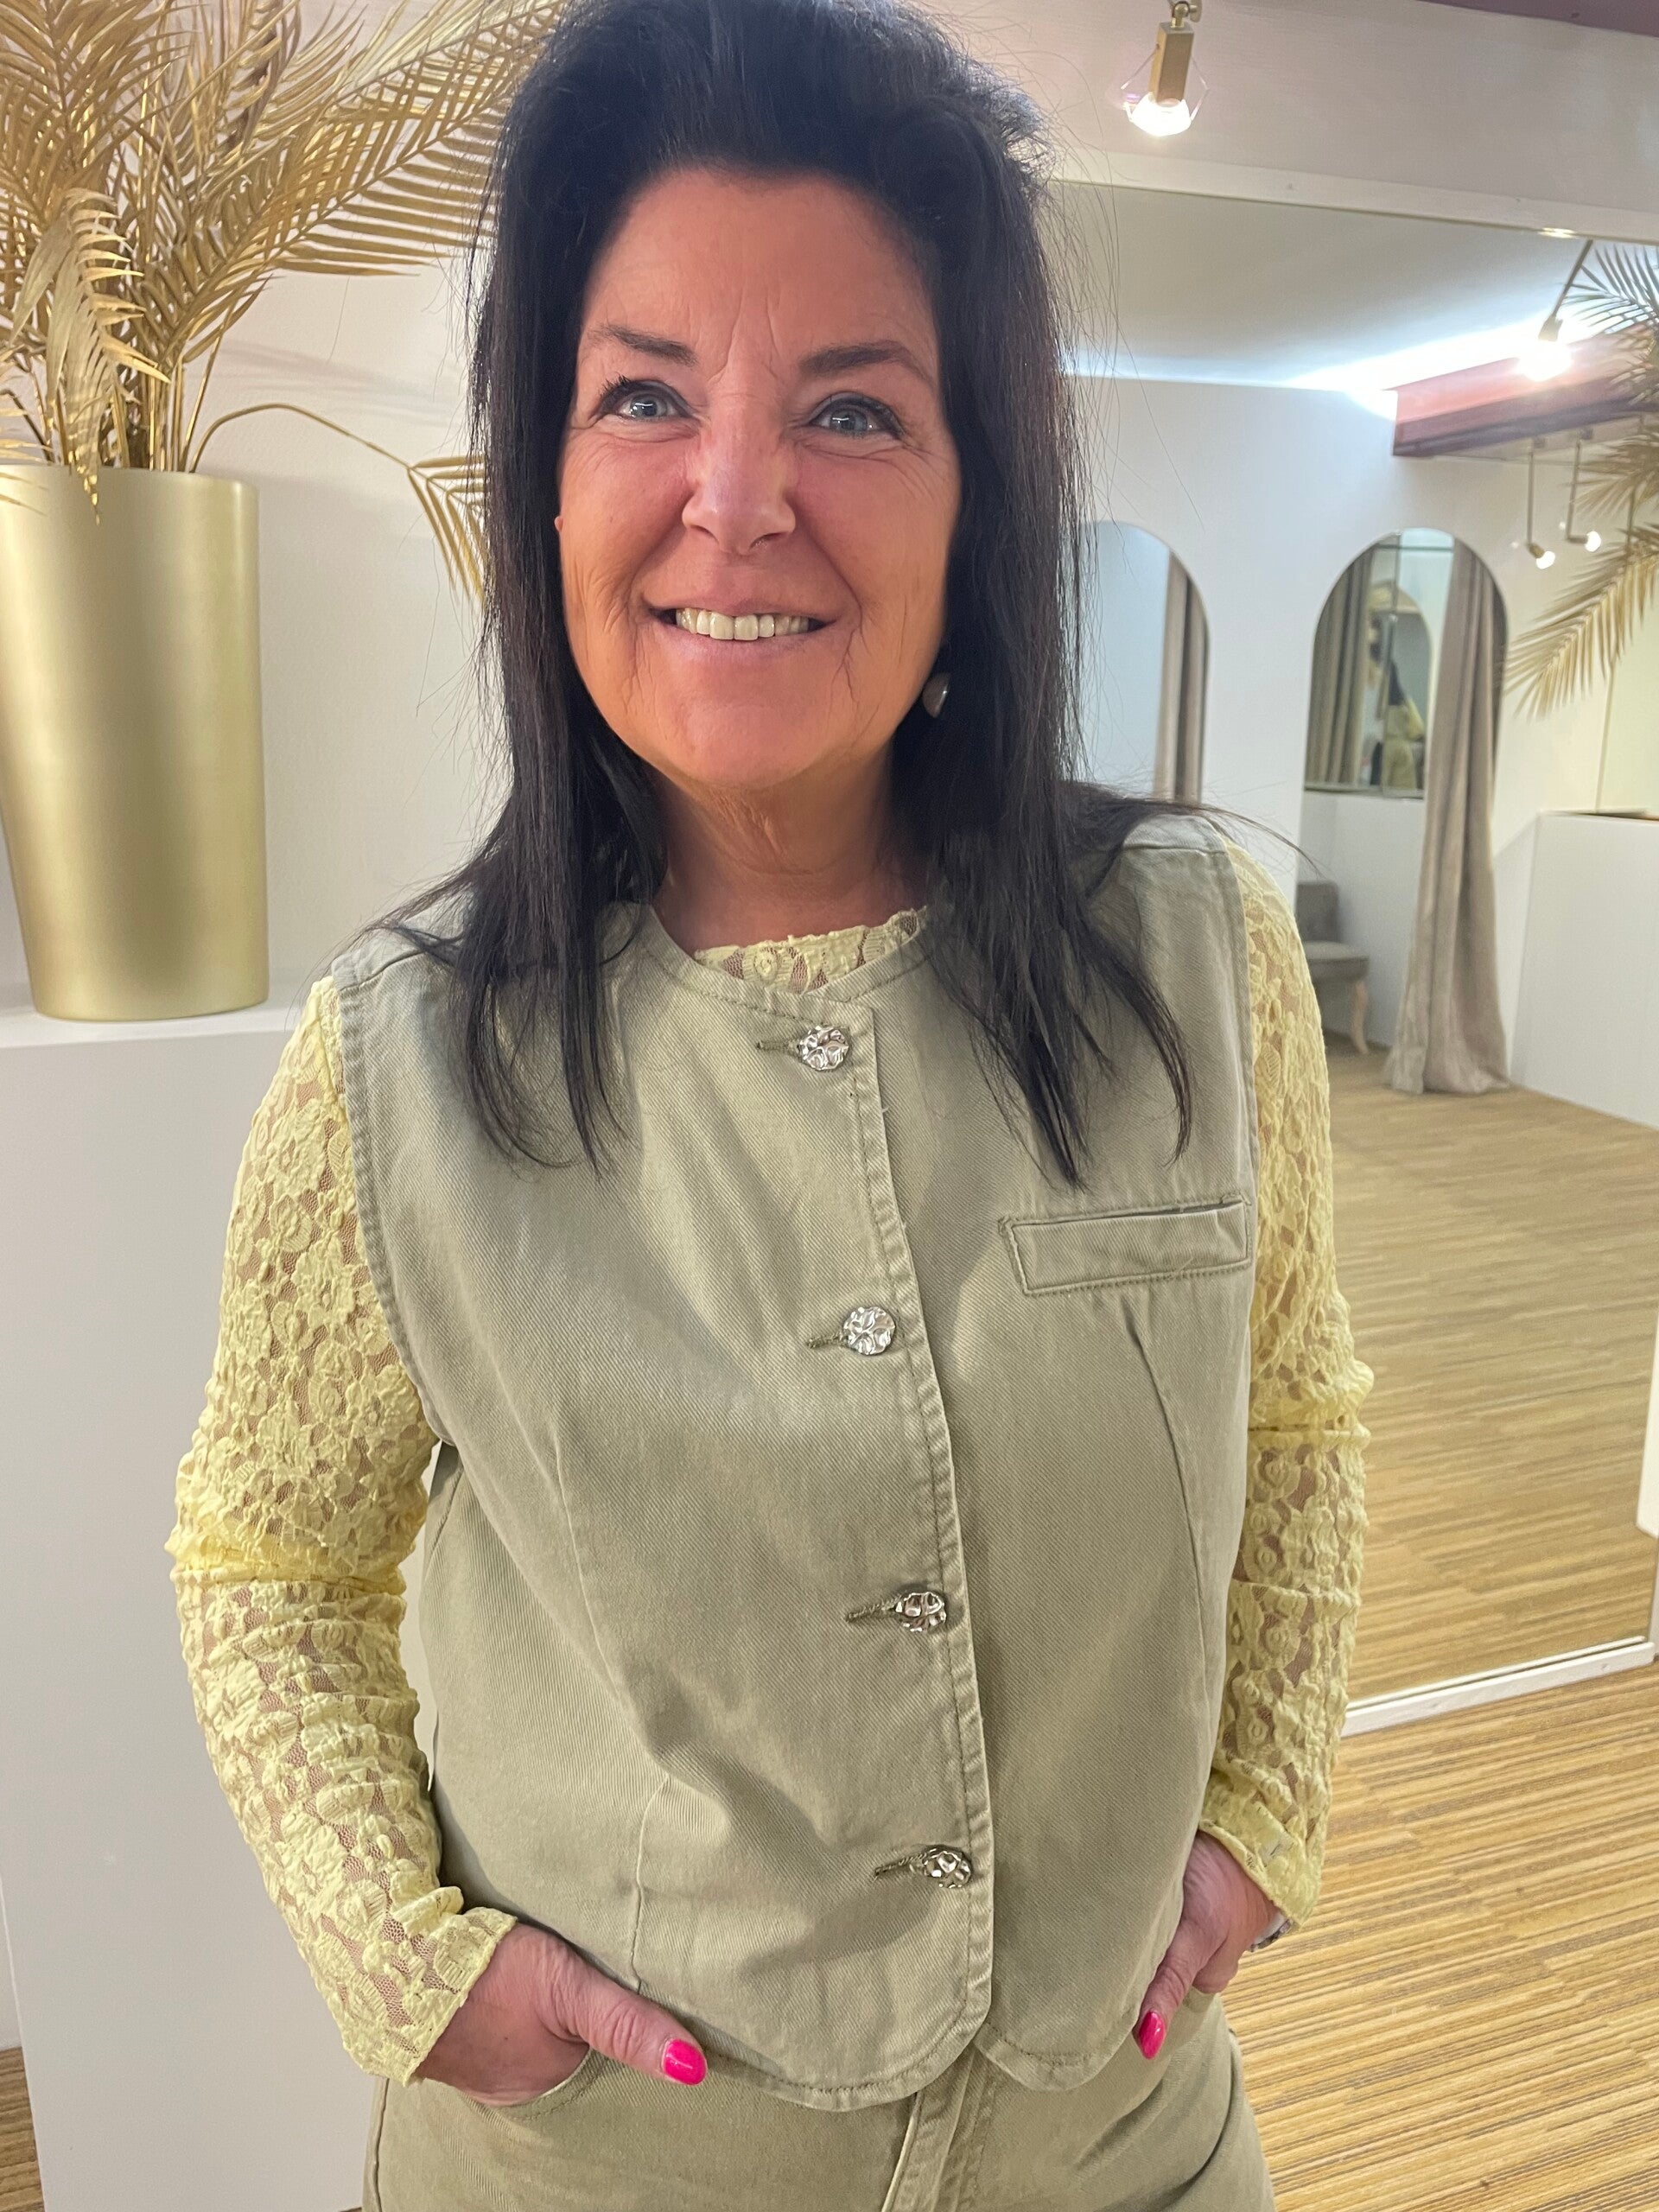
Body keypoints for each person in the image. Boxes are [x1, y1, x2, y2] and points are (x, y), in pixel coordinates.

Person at [165, 0, 1374, 2203]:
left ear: (975, 496)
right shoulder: (396, 1069)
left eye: (852, 407)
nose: (739, 498)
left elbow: (1291, 1413)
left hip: (1126, 2152)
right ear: (546, 481)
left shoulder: (1200, 960)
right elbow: (266, 1561)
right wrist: (406, 1957)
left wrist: (1260, 1805)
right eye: (645, 396)